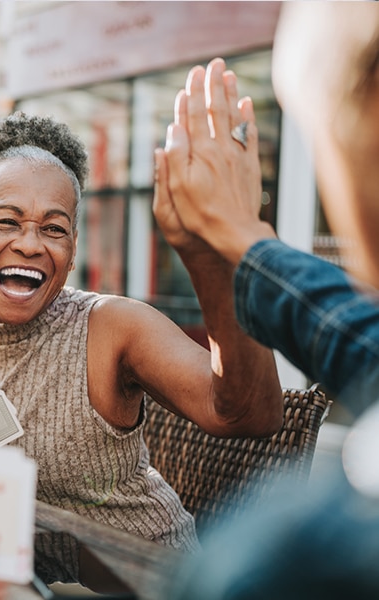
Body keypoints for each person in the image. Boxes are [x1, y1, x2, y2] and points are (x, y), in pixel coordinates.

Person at [0, 110, 282, 560]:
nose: (30, 244)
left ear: (73, 247)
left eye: (53, 228)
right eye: (7, 221)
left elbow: (251, 415)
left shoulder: (112, 327)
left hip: (146, 580)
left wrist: (225, 253)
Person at [152, 3, 379, 598]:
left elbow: (245, 412)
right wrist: (238, 242)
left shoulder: (291, 559)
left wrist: (239, 238)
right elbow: (366, 341)